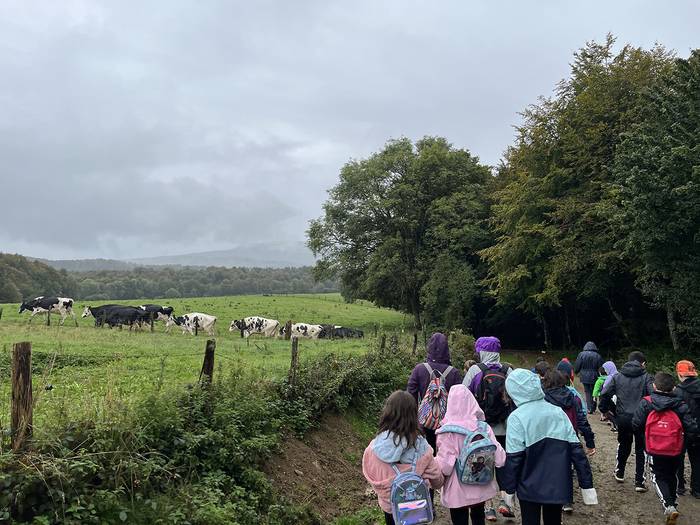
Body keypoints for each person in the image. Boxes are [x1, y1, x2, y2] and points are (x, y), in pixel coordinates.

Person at [501, 369, 598, 525]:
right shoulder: (558, 412)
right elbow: (577, 452)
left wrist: (508, 491)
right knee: (554, 521)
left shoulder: (516, 418)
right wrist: (587, 486)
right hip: (557, 481)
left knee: (529, 520)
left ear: (513, 391)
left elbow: (514, 459)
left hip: (528, 484)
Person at [362, 391, 445, 525]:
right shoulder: (422, 446)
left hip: (391, 508)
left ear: (387, 412)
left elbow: (371, 476)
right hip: (418, 509)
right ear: (414, 414)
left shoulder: (373, 449)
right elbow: (437, 480)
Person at [435, 385, 506, 525]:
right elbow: (500, 459)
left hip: (457, 491)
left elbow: (445, 468)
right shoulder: (483, 428)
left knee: (459, 519)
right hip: (481, 485)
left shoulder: (447, 432)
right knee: (478, 517)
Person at [632, 372, 698, 525]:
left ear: (654, 386)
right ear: (674, 388)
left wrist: (645, 438)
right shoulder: (680, 405)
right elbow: (692, 427)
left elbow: (636, 424)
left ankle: (668, 505)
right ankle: (673, 501)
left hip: (654, 447)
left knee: (657, 476)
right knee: (671, 474)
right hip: (676, 448)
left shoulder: (647, 402)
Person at [463, 336, 514, 521]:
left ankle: (488, 507)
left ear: (481, 351)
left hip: (481, 429)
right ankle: (506, 502)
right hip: (505, 427)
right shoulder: (508, 369)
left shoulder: (476, 370)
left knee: (483, 465)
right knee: (503, 463)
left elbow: (463, 394)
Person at [541, 369, 596, 514]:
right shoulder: (573, 397)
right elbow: (581, 419)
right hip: (570, 436)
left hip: (549, 437)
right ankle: (567, 500)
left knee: (550, 467)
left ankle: (549, 495)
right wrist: (590, 441)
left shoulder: (543, 397)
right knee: (567, 468)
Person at [599, 350, 654, 492]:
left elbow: (605, 393)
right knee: (641, 449)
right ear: (643, 363)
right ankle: (639, 482)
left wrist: (605, 409)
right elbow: (653, 396)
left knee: (623, 444)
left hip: (622, 417)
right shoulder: (647, 377)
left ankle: (620, 472)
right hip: (641, 418)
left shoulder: (618, 377)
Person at [407, 333, 463, 453]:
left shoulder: (419, 369)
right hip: (447, 422)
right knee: (444, 454)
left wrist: (414, 420)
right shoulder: (454, 373)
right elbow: (459, 400)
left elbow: (410, 395)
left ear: (429, 348)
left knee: (425, 453)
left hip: (424, 420)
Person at [674, 360, 700, 498]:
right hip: (698, 430)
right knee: (697, 460)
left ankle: (680, 486)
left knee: (678, 458)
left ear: (680, 373)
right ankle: (697, 489)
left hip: (682, 431)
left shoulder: (678, 391)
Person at [574, 341, 604, 414]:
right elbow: (601, 367)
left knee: (587, 391)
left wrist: (576, 371)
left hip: (584, 376)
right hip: (595, 376)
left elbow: (578, 365)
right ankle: (593, 407)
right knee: (595, 391)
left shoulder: (581, 354)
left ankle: (589, 408)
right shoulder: (597, 355)